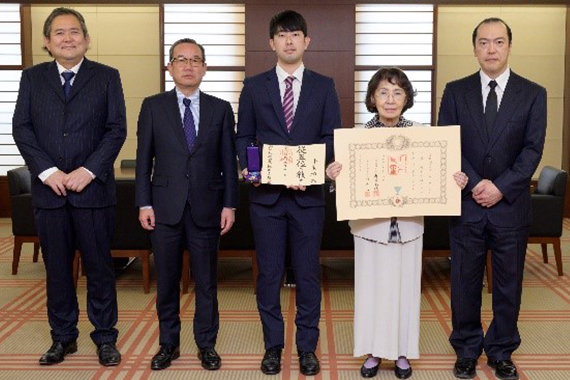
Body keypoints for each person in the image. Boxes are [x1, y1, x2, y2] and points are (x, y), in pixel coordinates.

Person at [326, 68, 466, 379]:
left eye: (398, 93)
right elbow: (343, 191)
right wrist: (334, 176)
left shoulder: (422, 137)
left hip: (409, 227)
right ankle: (374, 352)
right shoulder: (356, 139)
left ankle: (402, 352)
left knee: (405, 291)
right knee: (371, 291)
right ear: (372, 99)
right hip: (369, 230)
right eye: (383, 93)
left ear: (407, 99)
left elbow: (437, 180)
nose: (390, 100)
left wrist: (455, 179)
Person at [12, 7, 126, 367]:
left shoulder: (107, 77)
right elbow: (22, 128)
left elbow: (116, 129)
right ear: (47, 42)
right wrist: (47, 172)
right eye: (59, 33)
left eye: (75, 32)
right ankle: (62, 338)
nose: (68, 38)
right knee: (57, 270)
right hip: (50, 193)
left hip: (92, 192)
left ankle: (106, 338)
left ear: (87, 39)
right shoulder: (32, 79)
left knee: (100, 269)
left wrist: (88, 171)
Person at [438, 18, 547, 380]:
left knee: (508, 284)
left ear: (509, 47)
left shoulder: (534, 93)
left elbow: (532, 151)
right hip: (467, 204)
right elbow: (447, 143)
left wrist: (500, 186)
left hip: (510, 206)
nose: (491, 49)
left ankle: (501, 349)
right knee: (464, 282)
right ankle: (467, 349)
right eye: (483, 43)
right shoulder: (455, 91)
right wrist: (474, 184)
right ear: (474, 48)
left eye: (498, 42)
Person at [236, 10, 341, 376]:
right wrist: (256, 170)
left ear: (306, 41)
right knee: (268, 274)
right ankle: (273, 346)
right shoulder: (254, 86)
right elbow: (244, 137)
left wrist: (310, 170)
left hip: (308, 198)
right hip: (265, 199)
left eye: (296, 35)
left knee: (309, 273)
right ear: (272, 43)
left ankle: (307, 347)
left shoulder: (324, 86)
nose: (289, 41)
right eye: (282, 35)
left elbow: (331, 137)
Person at [135, 38, 238, 371]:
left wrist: (230, 205)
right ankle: (168, 344)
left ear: (205, 68)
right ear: (170, 67)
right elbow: (142, 160)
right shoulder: (153, 106)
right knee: (166, 281)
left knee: (206, 281)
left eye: (196, 60)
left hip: (207, 207)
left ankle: (206, 344)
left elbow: (228, 161)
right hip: (164, 208)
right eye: (181, 59)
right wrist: (143, 203)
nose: (189, 65)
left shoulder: (221, 108)